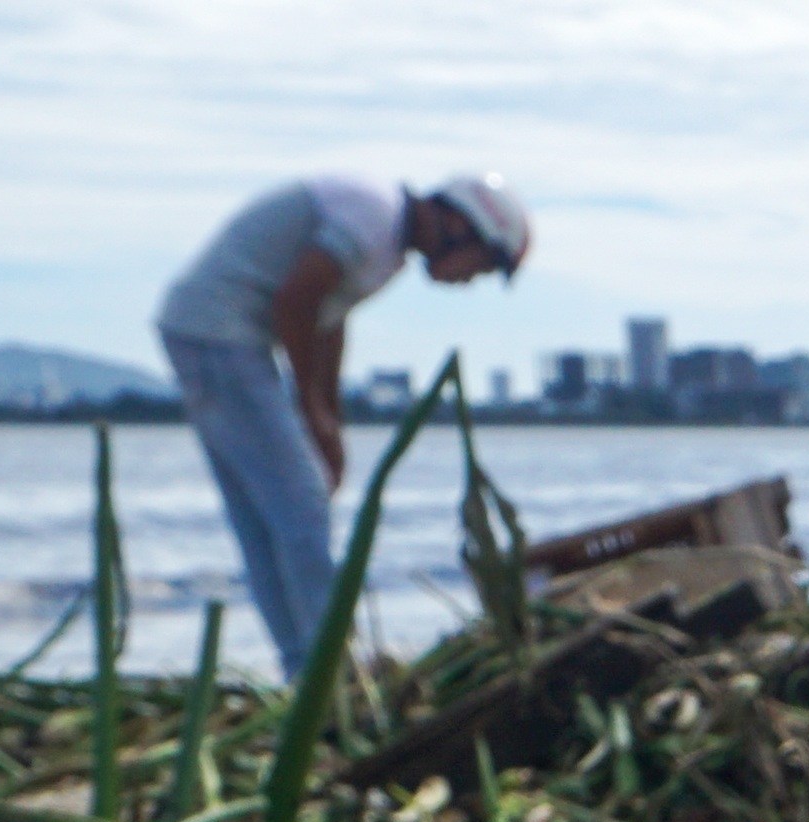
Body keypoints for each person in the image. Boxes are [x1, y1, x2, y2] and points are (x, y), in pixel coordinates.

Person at [153, 175, 530, 670]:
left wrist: (328, 419)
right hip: (219, 333)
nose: (470, 280)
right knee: (300, 506)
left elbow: (327, 321)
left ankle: (306, 666)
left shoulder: (387, 245)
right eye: (481, 265)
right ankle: (326, 667)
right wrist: (310, 410)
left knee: (268, 519)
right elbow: (296, 303)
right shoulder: (375, 217)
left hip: (210, 331)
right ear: (462, 225)